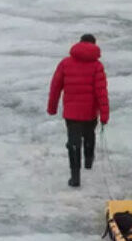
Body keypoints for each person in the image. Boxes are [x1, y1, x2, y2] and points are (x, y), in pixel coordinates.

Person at [47, 34, 109, 187]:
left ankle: (75, 177)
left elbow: (55, 87)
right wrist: (104, 115)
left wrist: (52, 107)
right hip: (89, 112)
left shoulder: (65, 63)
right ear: (94, 45)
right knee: (89, 135)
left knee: (74, 143)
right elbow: (101, 92)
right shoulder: (97, 66)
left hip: (71, 113)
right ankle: (88, 162)